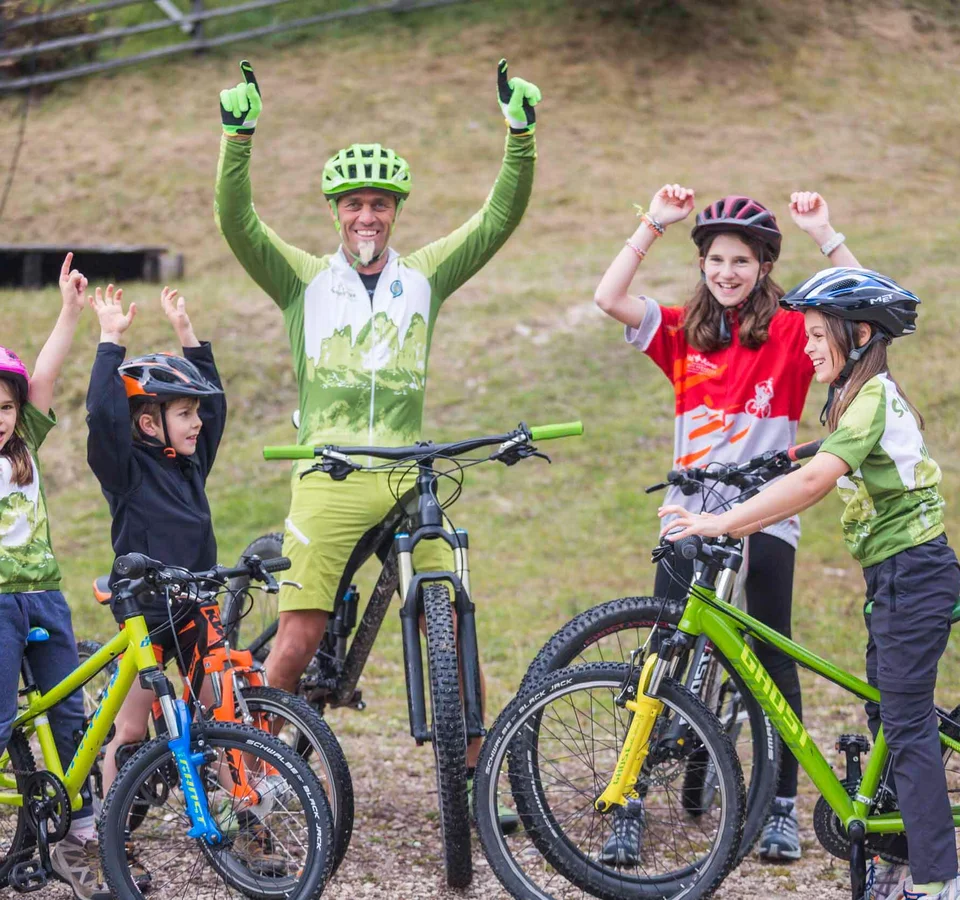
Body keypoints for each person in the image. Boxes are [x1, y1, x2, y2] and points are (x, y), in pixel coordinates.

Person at [214, 57, 540, 786]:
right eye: (355, 204)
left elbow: (497, 220)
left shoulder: (423, 275)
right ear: (336, 211)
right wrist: (239, 136)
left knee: (447, 609)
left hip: (404, 470)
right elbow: (238, 224)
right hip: (329, 473)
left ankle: (473, 771)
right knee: (300, 633)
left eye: (381, 205)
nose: (367, 216)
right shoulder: (303, 279)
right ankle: (252, 771)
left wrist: (520, 134)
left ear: (396, 212)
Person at [659, 266, 958, 899]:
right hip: (894, 577)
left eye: (820, 334)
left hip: (917, 574)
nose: (809, 345)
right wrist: (771, 460)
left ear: (860, 333)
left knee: (904, 724)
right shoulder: (853, 396)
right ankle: (900, 853)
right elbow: (822, 454)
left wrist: (722, 520)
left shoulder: (872, 394)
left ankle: (939, 881)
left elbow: (818, 480)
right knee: (888, 711)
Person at [593, 186, 861, 863]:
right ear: (704, 263)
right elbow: (609, 297)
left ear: (765, 266)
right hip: (691, 514)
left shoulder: (795, 333)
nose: (728, 272)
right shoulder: (684, 329)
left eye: (742, 261)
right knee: (662, 655)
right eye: (716, 259)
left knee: (772, 655)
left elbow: (862, 320)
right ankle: (630, 799)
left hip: (766, 515)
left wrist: (825, 233)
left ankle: (778, 807)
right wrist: (653, 222)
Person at [84, 284, 225, 813]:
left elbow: (217, 405)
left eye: (194, 414)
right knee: (133, 725)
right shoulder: (125, 472)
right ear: (149, 422)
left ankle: (244, 806)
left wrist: (187, 335)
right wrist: (109, 341)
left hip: (196, 604)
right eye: (185, 414)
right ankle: (110, 824)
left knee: (223, 706)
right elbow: (102, 416)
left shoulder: (190, 463)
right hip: (147, 612)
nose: (198, 424)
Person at [0, 254, 99, 898]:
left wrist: (68, 312)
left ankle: (81, 836)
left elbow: (47, 373)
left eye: (4, 406)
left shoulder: (23, 449)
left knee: (71, 716)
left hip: (47, 601)